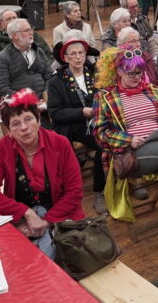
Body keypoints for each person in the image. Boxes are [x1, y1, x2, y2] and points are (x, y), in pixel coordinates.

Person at [91, 47, 158, 256]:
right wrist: (129, 139)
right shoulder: (105, 97)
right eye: (131, 73)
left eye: (140, 72)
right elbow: (99, 134)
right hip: (130, 156)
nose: (137, 77)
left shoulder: (151, 90)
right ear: (118, 72)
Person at [0, 89, 85, 257]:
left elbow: (74, 192)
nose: (24, 128)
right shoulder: (2, 148)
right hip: (21, 219)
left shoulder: (60, 144)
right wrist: (26, 214)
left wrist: (46, 221)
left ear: (39, 120)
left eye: (28, 119)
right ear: (8, 130)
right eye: (15, 124)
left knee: (45, 255)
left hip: (59, 213)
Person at [48, 37, 105, 213]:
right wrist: (81, 112)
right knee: (102, 143)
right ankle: (99, 191)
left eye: (81, 53)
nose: (78, 57)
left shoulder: (94, 74)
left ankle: (128, 178)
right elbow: (55, 113)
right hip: (72, 125)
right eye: (73, 54)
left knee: (113, 137)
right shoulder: (56, 81)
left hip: (96, 120)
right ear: (65, 58)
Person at [0, 18, 53, 99]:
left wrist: (46, 96)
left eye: (31, 29)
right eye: (27, 30)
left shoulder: (39, 52)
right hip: (18, 106)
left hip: (44, 102)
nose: (31, 33)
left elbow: (50, 77)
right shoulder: (2, 58)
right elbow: (1, 87)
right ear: (15, 36)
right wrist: (24, 100)